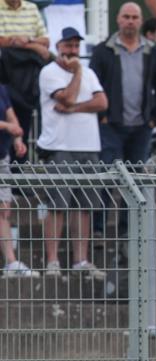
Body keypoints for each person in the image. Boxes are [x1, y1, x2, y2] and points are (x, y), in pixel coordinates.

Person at [90, 3, 156, 238]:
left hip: (141, 127)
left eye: (135, 17)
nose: (131, 21)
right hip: (111, 125)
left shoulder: (151, 51)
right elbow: (92, 86)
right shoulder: (103, 50)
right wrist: (101, 117)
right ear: (118, 20)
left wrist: (154, 118)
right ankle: (99, 229)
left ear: (141, 21)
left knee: (133, 181)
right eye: (126, 16)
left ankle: (128, 231)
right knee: (106, 176)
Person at [37, 27, 108, 279]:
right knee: (57, 204)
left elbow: (102, 103)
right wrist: (76, 73)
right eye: (68, 46)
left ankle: (81, 260)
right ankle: (53, 261)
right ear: (58, 47)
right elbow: (65, 97)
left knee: (84, 206)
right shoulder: (49, 72)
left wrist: (75, 108)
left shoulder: (88, 72)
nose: (73, 51)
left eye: (76, 46)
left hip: (89, 145)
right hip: (60, 146)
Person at [0, 0, 51, 145]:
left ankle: (19, 163)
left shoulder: (32, 8)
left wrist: (27, 40)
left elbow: (46, 41)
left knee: (23, 123)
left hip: (27, 78)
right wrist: (35, 46)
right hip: (4, 72)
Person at [0, 82, 33, 276]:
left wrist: (18, 140)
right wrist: (7, 126)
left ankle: (11, 262)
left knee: (4, 208)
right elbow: (9, 124)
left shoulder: (2, 90)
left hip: (2, 156)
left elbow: (14, 120)